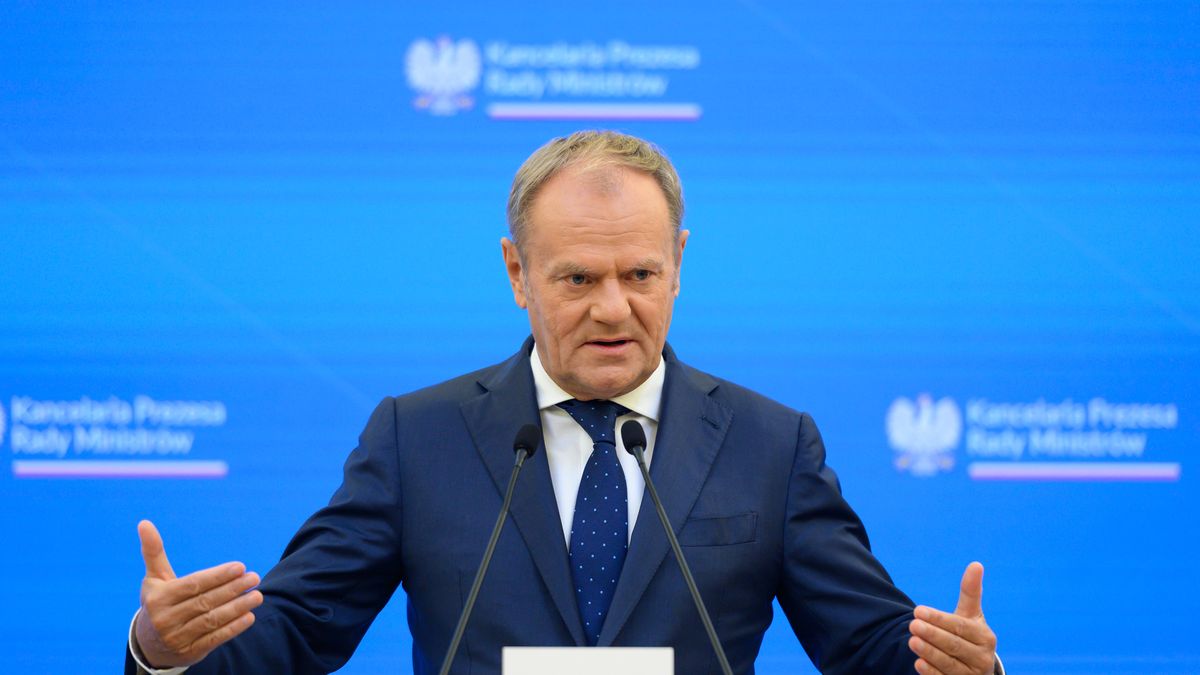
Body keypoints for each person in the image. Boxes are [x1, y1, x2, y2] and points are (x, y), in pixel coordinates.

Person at [127, 130, 1002, 674]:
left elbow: (872, 648)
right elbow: (292, 637)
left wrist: (953, 669)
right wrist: (162, 654)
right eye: (578, 277)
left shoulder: (770, 446)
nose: (613, 307)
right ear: (517, 273)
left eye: (640, 275)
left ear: (680, 264)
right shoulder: (418, 437)